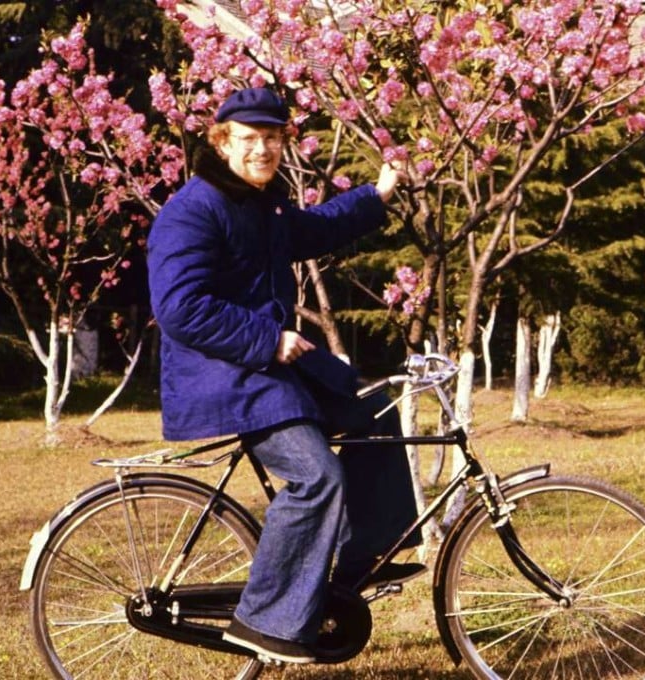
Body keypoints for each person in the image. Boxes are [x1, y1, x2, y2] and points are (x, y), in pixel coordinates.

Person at [146, 87, 422, 664]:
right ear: (222, 143)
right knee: (317, 476)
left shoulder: (260, 204)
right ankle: (265, 622)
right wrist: (268, 339)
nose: (263, 149)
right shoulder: (193, 210)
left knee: (376, 415)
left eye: (272, 138)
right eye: (249, 139)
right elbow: (179, 308)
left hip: (265, 369)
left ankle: (351, 567)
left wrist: (376, 196)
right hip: (224, 375)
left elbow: (312, 230)